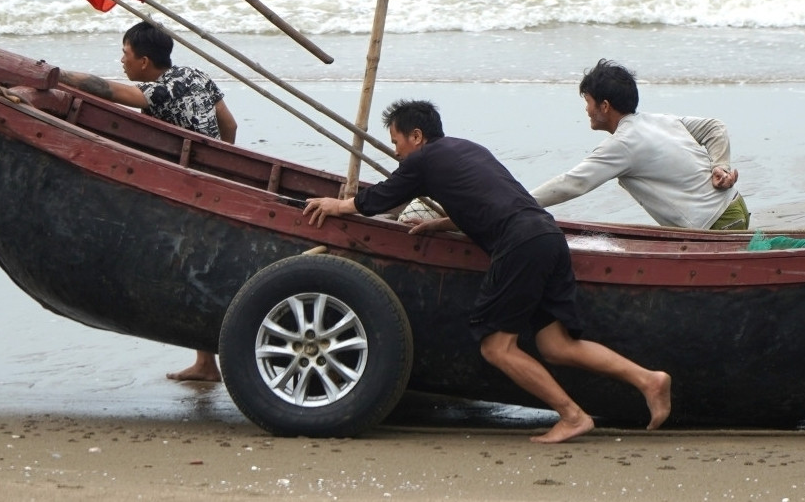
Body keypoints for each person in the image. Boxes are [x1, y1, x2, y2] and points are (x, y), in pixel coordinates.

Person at [304, 100, 672, 443]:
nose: (396, 151)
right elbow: (491, 198)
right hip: (546, 235)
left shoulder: (423, 159)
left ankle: (573, 416)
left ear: (416, 136)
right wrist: (445, 223)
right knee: (556, 346)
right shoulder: (468, 149)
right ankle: (649, 380)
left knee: (496, 347)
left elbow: (385, 196)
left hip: (521, 245)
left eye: (397, 141)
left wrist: (338, 206)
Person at [59, 20, 238, 382]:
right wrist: (222, 164)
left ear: (143, 61)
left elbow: (113, 94)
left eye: (125, 54)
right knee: (198, 266)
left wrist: (55, 76)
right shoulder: (197, 75)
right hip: (213, 182)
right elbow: (229, 125)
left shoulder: (162, 90)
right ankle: (205, 363)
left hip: (191, 192)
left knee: (192, 269)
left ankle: (207, 362)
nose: (122, 60)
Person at [530, 60, 747, 231]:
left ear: (604, 106)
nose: (586, 110)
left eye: (587, 102)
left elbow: (573, 183)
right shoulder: (660, 120)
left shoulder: (623, 143)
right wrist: (721, 166)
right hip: (735, 207)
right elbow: (715, 127)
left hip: (715, 224)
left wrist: (521, 203)